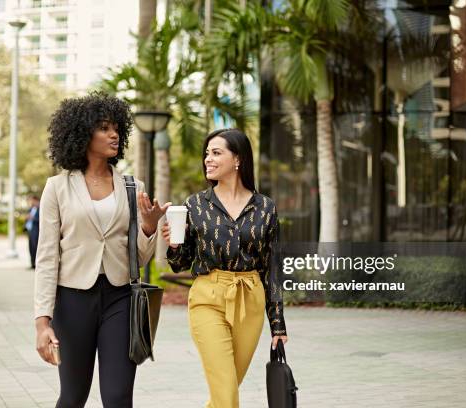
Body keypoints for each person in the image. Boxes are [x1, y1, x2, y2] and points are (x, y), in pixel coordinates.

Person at [33, 91, 170, 408]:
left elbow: (139, 257)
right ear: (83, 133)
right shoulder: (57, 187)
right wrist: (42, 321)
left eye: (116, 128)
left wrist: (148, 227)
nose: (114, 135)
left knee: (119, 396)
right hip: (72, 300)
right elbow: (47, 257)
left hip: (120, 298)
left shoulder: (133, 187)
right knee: (73, 396)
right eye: (104, 128)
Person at [162, 128, 288, 408]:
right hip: (208, 298)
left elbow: (273, 269)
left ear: (238, 159)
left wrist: (277, 324)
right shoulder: (195, 205)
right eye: (206, 153)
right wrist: (173, 245)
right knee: (227, 393)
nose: (208, 159)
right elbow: (181, 261)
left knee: (224, 393)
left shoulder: (265, 208)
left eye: (216, 153)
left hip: (250, 299)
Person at [25, 195, 40, 269]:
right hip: (30, 231)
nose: (31, 202)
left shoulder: (40, 208)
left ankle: (37, 264)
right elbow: (27, 217)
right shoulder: (31, 209)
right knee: (30, 248)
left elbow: (41, 220)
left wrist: (32, 218)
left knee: (35, 248)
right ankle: (32, 264)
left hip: (36, 231)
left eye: (32, 200)